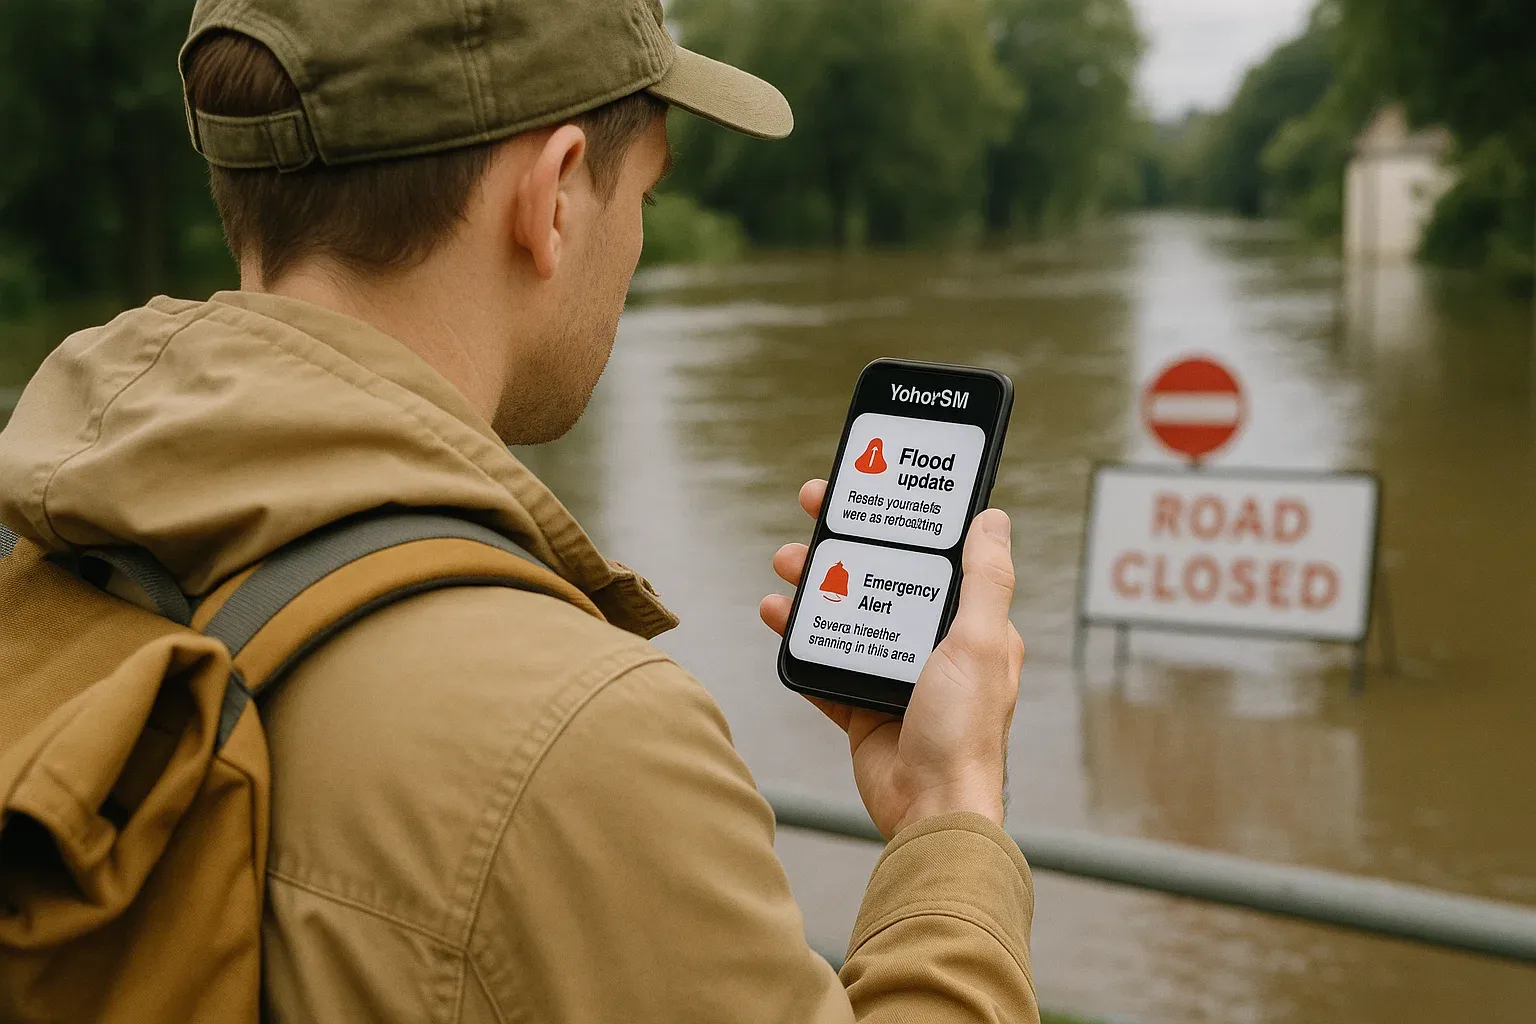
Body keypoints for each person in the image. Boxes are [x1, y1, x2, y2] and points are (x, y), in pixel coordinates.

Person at [0, 0, 1037, 1020]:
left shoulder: (44, 545)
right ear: (550, 198)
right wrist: (950, 811)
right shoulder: (582, 739)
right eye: (647, 196)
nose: (633, 243)